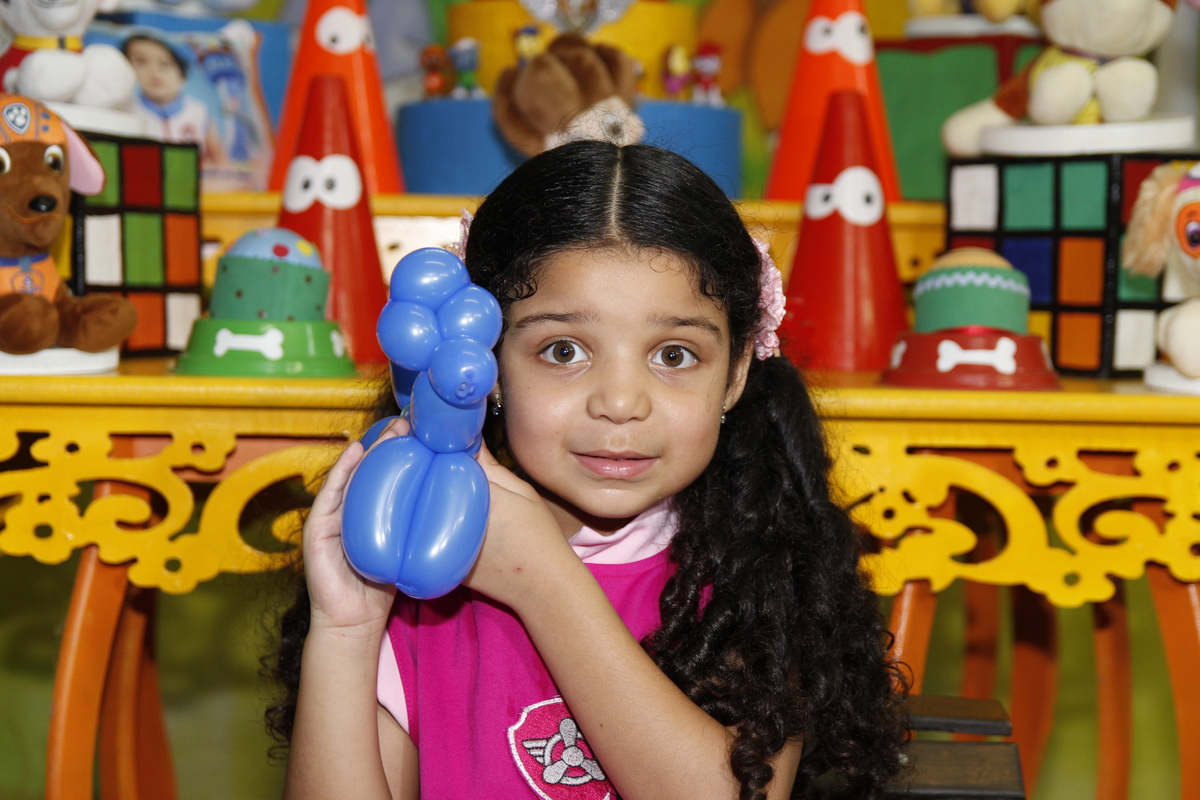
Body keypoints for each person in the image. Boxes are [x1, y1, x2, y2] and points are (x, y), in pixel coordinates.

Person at [266, 141, 908, 800]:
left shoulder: (759, 574)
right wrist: (346, 630)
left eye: (675, 354)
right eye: (564, 350)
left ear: (736, 372)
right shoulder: (419, 575)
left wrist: (544, 581)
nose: (620, 402)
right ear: (486, 361)